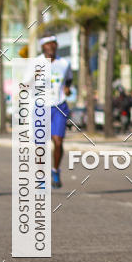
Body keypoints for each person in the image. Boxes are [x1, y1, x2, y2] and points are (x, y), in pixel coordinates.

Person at [40, 35, 73, 189]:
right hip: (40, 107)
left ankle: (55, 170)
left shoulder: (65, 63)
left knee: (58, 141)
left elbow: (69, 80)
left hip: (59, 106)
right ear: (43, 47)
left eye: (54, 44)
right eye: (48, 44)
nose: (51, 47)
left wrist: (67, 88)